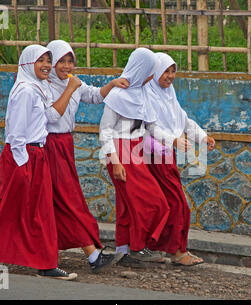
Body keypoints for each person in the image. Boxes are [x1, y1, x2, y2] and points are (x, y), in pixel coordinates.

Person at [0, 45, 77, 280]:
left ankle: (45, 263)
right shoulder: (25, 91)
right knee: (8, 207)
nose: (46, 65)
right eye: (40, 60)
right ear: (27, 63)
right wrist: (23, 165)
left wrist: (69, 91)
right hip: (23, 156)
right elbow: (16, 133)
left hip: (37, 155)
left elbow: (51, 117)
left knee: (40, 211)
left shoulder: (38, 88)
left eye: (48, 60)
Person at [99, 48, 191, 268]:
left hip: (137, 150)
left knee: (129, 205)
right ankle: (139, 248)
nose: (152, 75)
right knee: (152, 202)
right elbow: (105, 130)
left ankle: (124, 251)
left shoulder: (141, 94)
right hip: (121, 152)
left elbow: (152, 127)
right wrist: (115, 160)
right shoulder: (118, 95)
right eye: (150, 70)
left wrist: (172, 141)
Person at [45, 39, 128, 273]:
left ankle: (1, 246)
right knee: (68, 200)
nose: (67, 66)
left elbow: (94, 96)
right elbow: (49, 117)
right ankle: (92, 255)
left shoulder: (74, 83)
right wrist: (70, 88)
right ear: (51, 63)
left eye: (70, 61)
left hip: (65, 144)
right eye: (62, 61)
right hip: (49, 144)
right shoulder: (43, 86)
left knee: (59, 201)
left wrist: (111, 84)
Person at [144, 52, 216, 266]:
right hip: (154, 156)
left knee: (167, 204)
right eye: (165, 71)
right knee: (177, 204)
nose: (170, 76)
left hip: (167, 156)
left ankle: (163, 248)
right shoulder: (148, 95)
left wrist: (202, 137)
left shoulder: (169, 94)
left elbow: (182, 120)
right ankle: (176, 251)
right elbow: (150, 126)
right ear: (155, 71)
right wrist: (173, 141)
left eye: (173, 71)